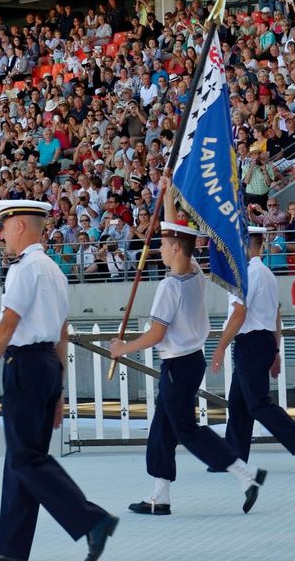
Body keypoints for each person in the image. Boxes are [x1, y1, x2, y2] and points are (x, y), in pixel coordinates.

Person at [0, 199, 117, 561]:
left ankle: (91, 519)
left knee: (25, 458)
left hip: (26, 365)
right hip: (47, 364)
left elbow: (8, 326)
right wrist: (58, 389)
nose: (1, 235)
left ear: (19, 226)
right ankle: (11, 547)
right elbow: (62, 331)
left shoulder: (24, 269)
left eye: (4, 226)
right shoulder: (53, 271)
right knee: (19, 458)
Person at [112, 190, 268, 517]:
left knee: (185, 429)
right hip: (191, 361)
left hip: (177, 365)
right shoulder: (195, 271)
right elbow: (178, 233)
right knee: (162, 428)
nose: (159, 248)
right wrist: (168, 196)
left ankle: (245, 473)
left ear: (175, 249)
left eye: (163, 244)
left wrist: (122, 348)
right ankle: (160, 495)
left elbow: (156, 334)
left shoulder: (170, 286)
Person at [211, 225, 295, 469]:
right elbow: (276, 314)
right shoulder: (266, 274)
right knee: (239, 403)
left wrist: (220, 347)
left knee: (257, 403)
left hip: (251, 343)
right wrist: (276, 350)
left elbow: (239, 314)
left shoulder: (248, 274)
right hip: (261, 342)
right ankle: (232, 457)